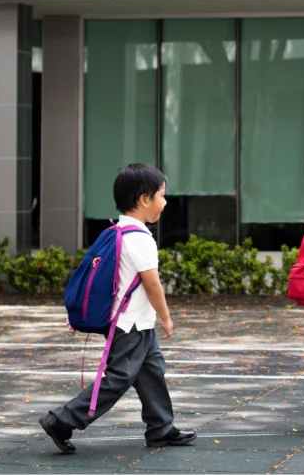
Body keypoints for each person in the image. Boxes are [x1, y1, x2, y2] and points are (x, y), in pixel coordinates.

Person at [40, 163, 195, 453]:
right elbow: (153, 285)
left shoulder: (117, 230)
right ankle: (61, 419)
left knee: (151, 372)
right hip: (130, 326)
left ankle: (161, 427)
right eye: (162, 195)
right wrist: (167, 317)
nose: (165, 202)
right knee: (118, 379)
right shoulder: (140, 239)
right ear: (143, 199)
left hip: (136, 324)